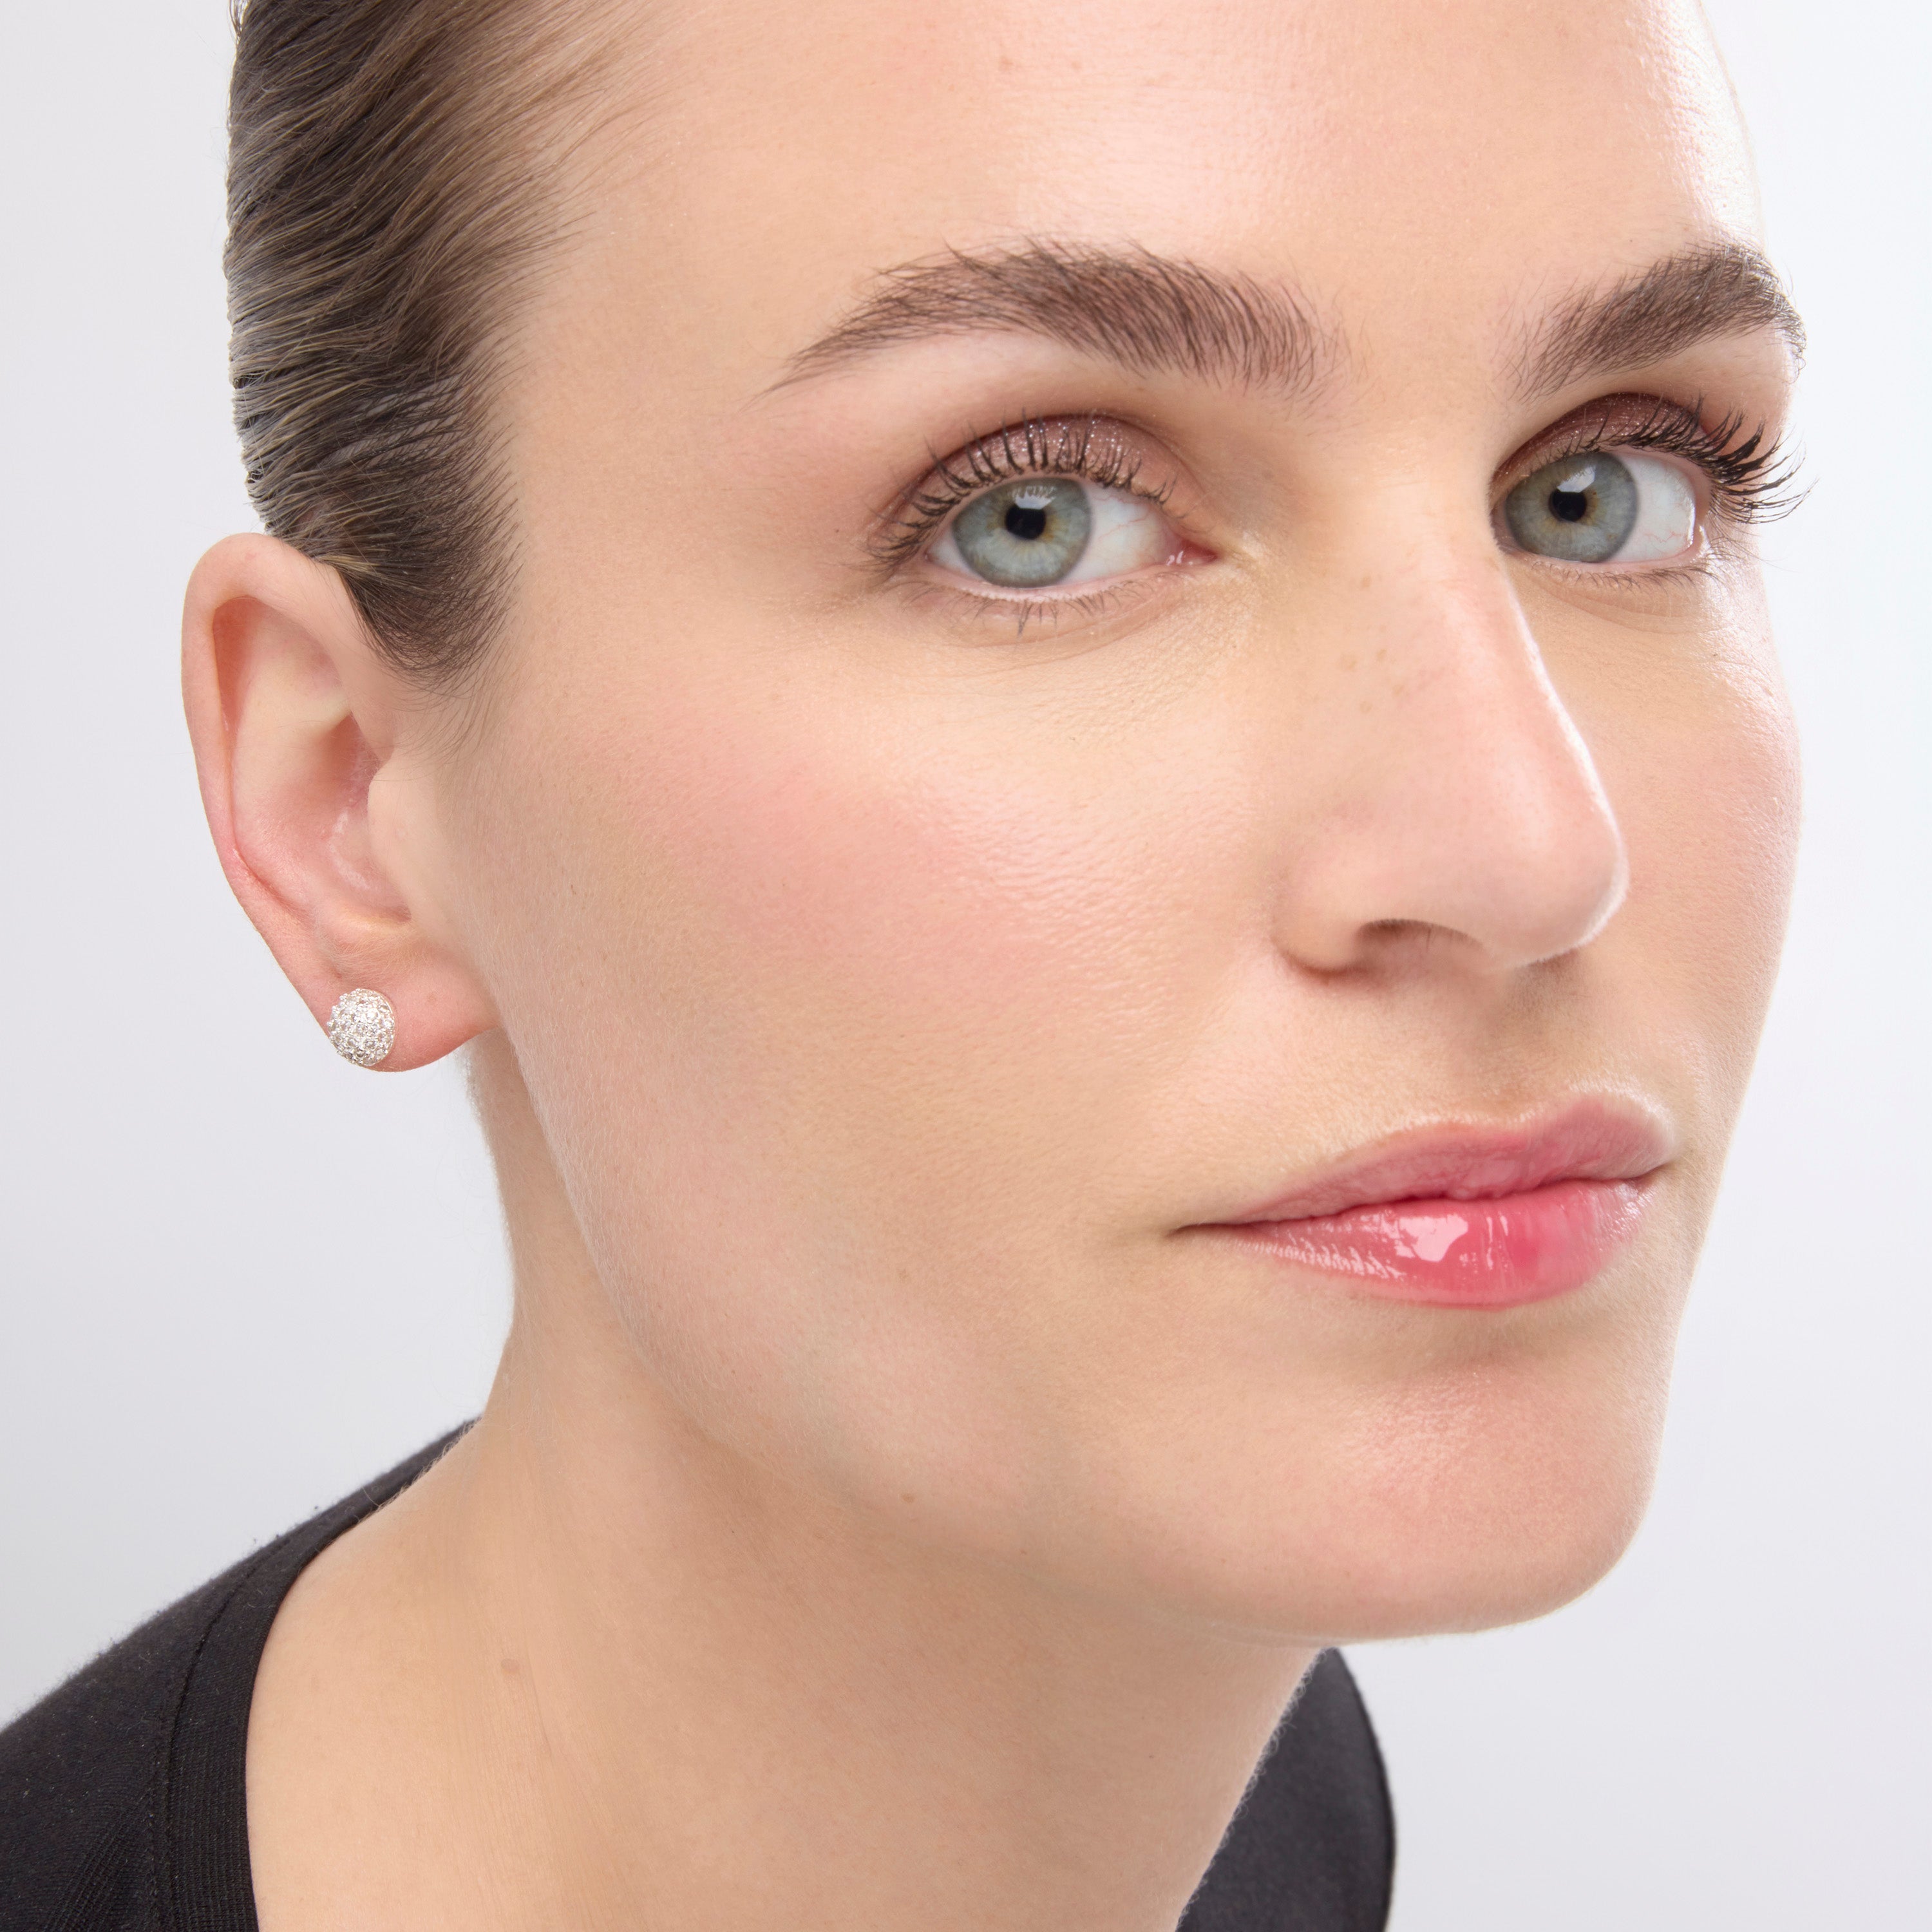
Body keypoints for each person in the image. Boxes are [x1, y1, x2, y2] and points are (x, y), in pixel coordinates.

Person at [0, 0, 1805, 1926]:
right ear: (350, 803)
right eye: (1037, 522)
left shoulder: (1279, 1794)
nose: (1536, 854)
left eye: (1609, 486)